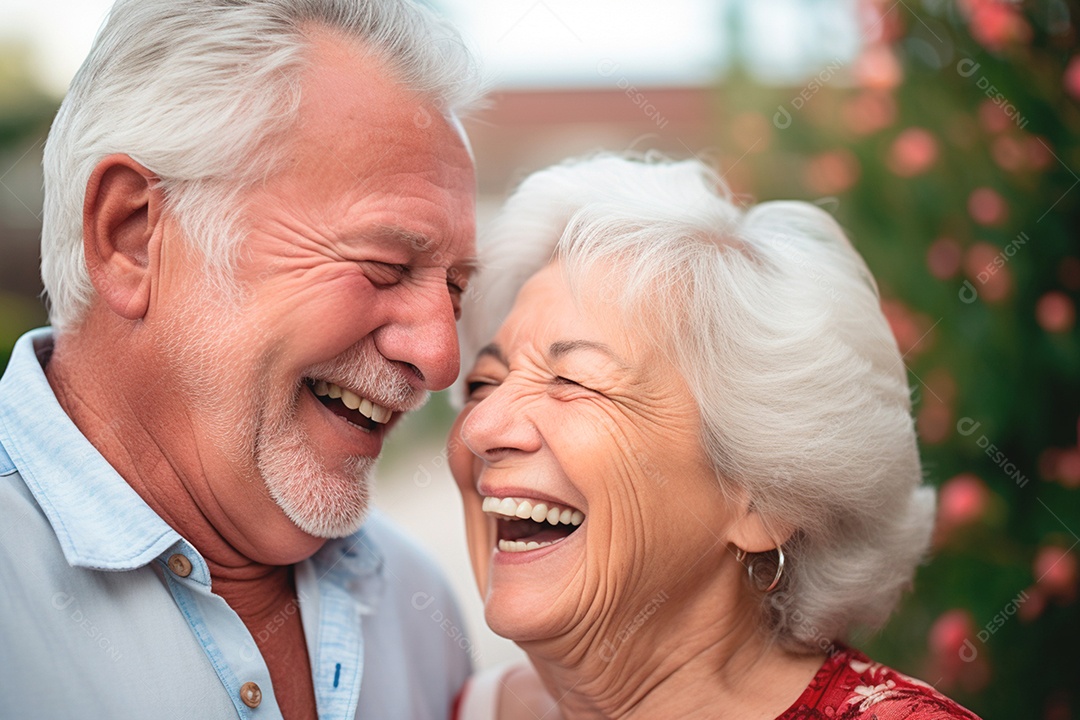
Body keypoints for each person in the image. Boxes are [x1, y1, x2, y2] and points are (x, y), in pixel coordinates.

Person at [0, 1, 483, 718]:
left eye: (455, 291)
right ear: (132, 236)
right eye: (384, 266)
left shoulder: (418, 610)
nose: (441, 358)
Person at [448, 155, 983, 719]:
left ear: (764, 500)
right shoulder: (469, 708)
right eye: (485, 382)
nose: (481, 427)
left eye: (572, 381)